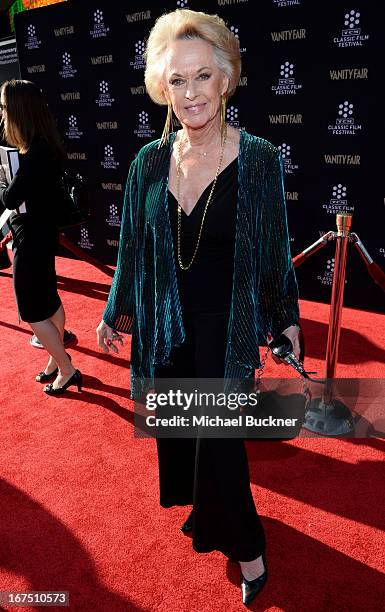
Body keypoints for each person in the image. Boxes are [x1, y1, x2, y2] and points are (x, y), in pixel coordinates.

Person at [96, 9, 301, 605]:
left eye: (203, 77)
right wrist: (116, 310)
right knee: (189, 437)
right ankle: (210, 517)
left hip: (226, 324)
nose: (191, 93)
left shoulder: (258, 158)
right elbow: (133, 246)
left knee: (219, 442)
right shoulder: (147, 164)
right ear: (163, 85)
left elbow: (273, 248)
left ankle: (249, 547)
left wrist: (285, 316)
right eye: (177, 80)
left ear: (227, 78)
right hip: (167, 324)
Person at [0, 79, 82, 395]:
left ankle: (66, 368)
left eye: (5, 108)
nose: (3, 114)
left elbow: (9, 198)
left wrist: (3, 183)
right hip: (41, 235)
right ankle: (55, 360)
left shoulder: (35, 154)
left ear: (20, 111)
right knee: (48, 300)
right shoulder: (43, 147)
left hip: (31, 238)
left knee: (32, 310)